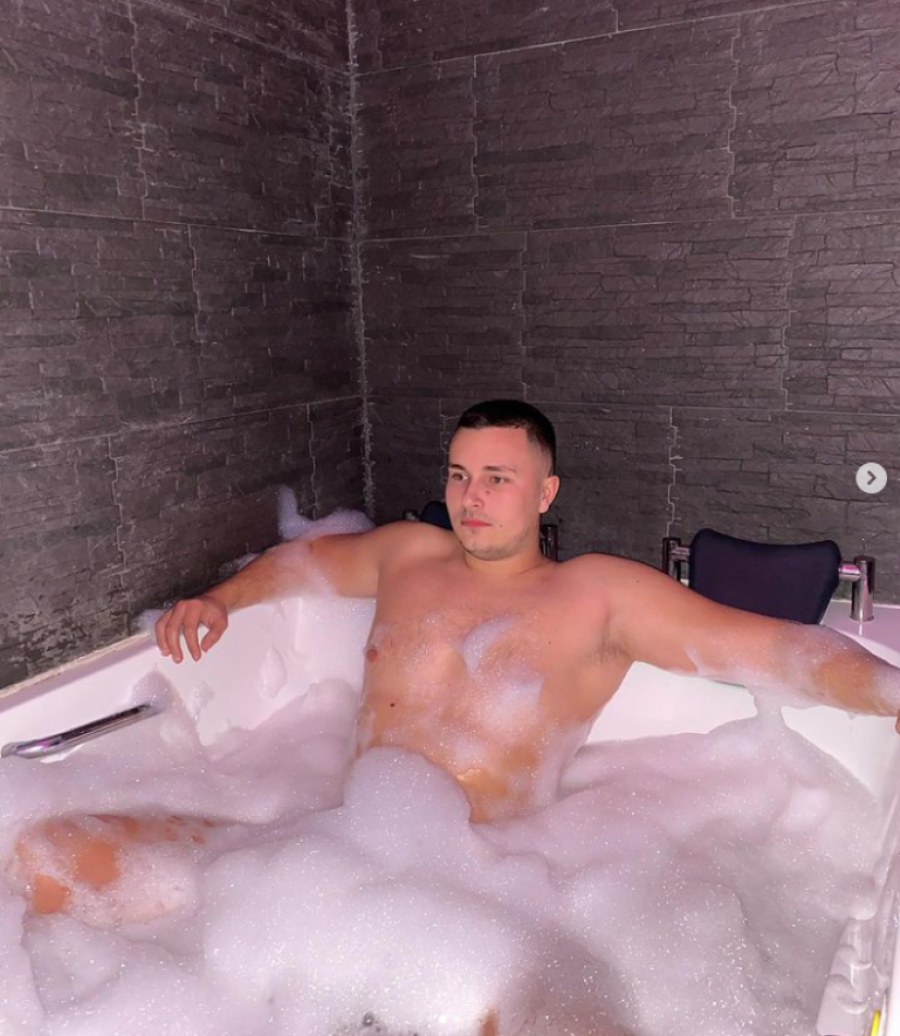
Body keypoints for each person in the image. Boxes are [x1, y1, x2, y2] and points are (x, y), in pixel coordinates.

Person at [7, 400, 899, 1033]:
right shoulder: (409, 554)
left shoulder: (598, 595)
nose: (473, 496)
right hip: (320, 851)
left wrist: (890, 694)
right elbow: (302, 567)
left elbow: (777, 650)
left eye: (499, 479)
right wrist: (219, 599)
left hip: (486, 885)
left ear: (546, 492)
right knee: (45, 849)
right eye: (461, 475)